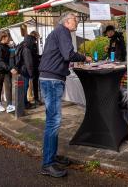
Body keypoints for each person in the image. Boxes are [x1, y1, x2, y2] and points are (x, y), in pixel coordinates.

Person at [38, 12, 92, 178]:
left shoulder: (57, 32)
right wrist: (85, 58)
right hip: (52, 80)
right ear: (67, 21)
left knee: (52, 120)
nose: (76, 22)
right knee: (53, 121)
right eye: (75, 19)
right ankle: (47, 164)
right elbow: (68, 54)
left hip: (49, 78)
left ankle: (52, 157)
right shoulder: (63, 32)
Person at [0, 31, 17, 113]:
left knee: (9, 85)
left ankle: (9, 105)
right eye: (8, 37)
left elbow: (10, 58)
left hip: (6, 69)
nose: (9, 39)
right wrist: (10, 68)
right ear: (3, 38)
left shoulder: (7, 46)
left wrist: (12, 67)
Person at [19, 31, 42, 109]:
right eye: (37, 38)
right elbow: (28, 60)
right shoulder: (28, 45)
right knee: (25, 86)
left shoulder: (29, 44)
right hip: (26, 69)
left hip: (29, 68)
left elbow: (33, 56)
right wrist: (31, 73)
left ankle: (29, 101)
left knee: (28, 85)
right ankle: (24, 104)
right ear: (34, 36)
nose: (37, 40)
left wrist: (40, 56)